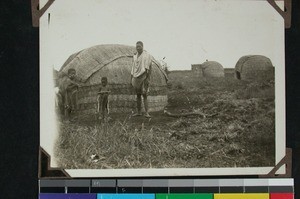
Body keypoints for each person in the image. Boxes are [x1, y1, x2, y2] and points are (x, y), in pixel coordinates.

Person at [131, 41, 152, 118]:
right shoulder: (135, 56)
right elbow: (133, 68)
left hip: (144, 76)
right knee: (138, 95)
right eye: (137, 47)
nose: (138, 48)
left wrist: (147, 79)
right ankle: (139, 112)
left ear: (143, 46)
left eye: (139, 46)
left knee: (145, 94)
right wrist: (132, 78)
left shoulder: (146, 56)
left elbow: (149, 68)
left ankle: (147, 113)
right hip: (136, 77)